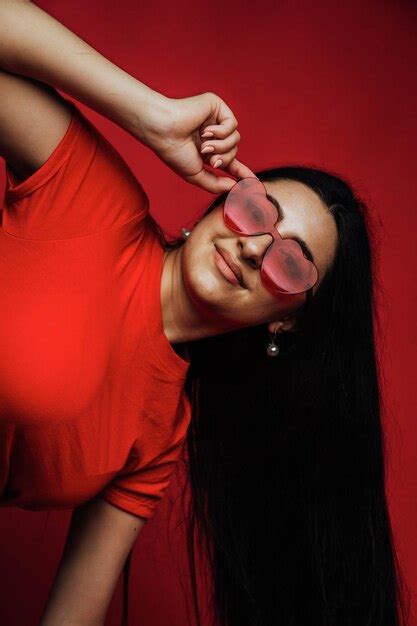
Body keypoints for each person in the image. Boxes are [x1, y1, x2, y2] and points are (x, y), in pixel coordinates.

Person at [0, 2, 408, 626]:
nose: (252, 245)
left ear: (287, 321)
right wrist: (154, 115)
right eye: (255, 209)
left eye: (291, 261)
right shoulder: (94, 203)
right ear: (220, 198)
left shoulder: (163, 430)